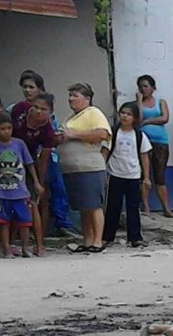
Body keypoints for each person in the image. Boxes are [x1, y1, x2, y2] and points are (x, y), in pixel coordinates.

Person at [56, 83, 112, 253]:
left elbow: (103, 134)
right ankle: (87, 240)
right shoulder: (70, 117)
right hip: (73, 169)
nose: (71, 99)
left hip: (89, 167)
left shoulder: (93, 113)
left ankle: (97, 241)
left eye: (75, 95)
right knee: (83, 207)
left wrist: (74, 134)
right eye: (70, 95)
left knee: (93, 205)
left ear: (87, 99)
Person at [0, 112, 44, 258]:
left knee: (24, 222)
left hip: (20, 192)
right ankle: (6, 249)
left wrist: (36, 182)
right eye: (2, 129)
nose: (6, 132)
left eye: (9, 128)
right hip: (2, 192)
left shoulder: (19, 144)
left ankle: (25, 248)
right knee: (3, 222)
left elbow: (29, 164)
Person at [10, 93, 56, 256]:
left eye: (43, 109)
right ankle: (5, 243)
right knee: (7, 202)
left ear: (49, 112)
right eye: (35, 107)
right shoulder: (19, 109)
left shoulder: (48, 131)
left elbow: (43, 159)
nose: (38, 111)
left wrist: (39, 182)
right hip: (8, 160)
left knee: (33, 203)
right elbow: (3, 126)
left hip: (30, 163)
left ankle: (39, 244)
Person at [102, 102, 152, 247]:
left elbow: (144, 156)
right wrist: (102, 172)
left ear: (135, 118)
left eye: (129, 114)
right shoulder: (113, 133)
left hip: (133, 176)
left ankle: (135, 238)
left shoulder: (139, 135)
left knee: (133, 208)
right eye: (123, 112)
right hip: (115, 174)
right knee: (113, 208)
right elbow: (105, 152)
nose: (125, 116)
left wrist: (146, 177)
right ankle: (107, 237)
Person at [136, 74, 173, 218]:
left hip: (160, 141)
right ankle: (145, 206)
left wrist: (148, 121)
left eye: (146, 86)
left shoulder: (161, 102)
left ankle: (166, 208)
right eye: (141, 86)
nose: (143, 89)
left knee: (160, 176)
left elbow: (165, 118)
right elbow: (138, 119)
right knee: (144, 175)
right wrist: (139, 102)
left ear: (153, 88)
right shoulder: (138, 104)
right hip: (143, 142)